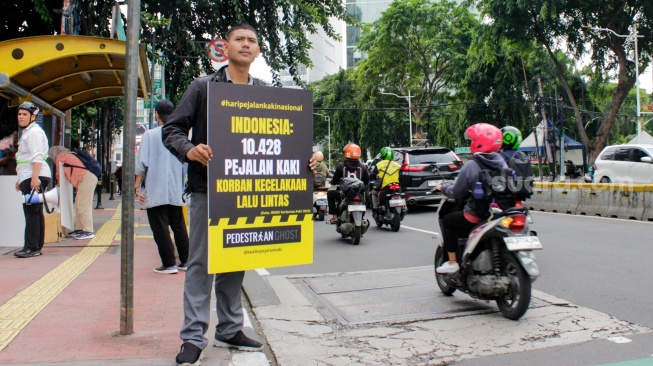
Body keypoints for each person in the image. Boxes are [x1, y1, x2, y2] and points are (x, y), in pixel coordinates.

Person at [162, 23, 267, 365]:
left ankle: (229, 327)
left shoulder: (265, 91)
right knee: (201, 264)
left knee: (237, 260)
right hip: (208, 188)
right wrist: (189, 149)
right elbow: (172, 129)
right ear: (226, 47)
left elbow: (278, 139)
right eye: (240, 39)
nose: (246, 45)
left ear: (258, 50)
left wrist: (308, 155)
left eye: (252, 40)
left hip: (247, 189)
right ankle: (193, 336)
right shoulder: (204, 87)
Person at [435, 123, 507, 274]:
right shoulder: (502, 162)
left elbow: (456, 192)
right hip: (498, 213)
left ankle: (452, 262)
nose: (470, 143)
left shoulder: (472, 164)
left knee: (448, 221)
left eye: (472, 140)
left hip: (476, 215)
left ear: (478, 142)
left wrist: (443, 188)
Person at [135, 99, 189, 275]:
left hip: (155, 187)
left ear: (157, 114)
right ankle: (186, 261)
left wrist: (137, 188)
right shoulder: (181, 135)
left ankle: (169, 264)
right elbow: (186, 164)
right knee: (178, 225)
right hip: (175, 188)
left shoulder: (149, 136)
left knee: (160, 227)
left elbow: (141, 165)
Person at [14, 102, 52, 258]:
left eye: (24, 114)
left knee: (31, 212)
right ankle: (35, 246)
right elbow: (24, 158)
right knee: (35, 212)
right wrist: (20, 178)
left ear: (33, 116)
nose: (21, 117)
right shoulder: (29, 132)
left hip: (33, 175)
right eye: (19, 114)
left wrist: (34, 177)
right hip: (29, 175)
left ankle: (31, 248)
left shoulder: (34, 132)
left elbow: (36, 156)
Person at [48, 146, 98, 240]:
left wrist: (58, 184)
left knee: (83, 206)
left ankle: (88, 231)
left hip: (85, 179)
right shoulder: (68, 155)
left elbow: (59, 173)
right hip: (85, 179)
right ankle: (80, 229)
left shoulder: (61, 156)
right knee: (79, 205)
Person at [326, 143, 369, 224]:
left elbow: (335, 181)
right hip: (359, 194)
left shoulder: (340, 166)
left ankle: (334, 216)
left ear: (346, 153)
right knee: (367, 197)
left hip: (344, 195)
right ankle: (362, 217)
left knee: (330, 194)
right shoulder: (363, 167)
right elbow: (366, 181)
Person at [370, 146, 401, 218]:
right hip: (397, 187)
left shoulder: (379, 164)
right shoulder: (397, 165)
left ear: (382, 155)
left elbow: (372, 176)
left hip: (385, 188)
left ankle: (375, 208)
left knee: (373, 193)